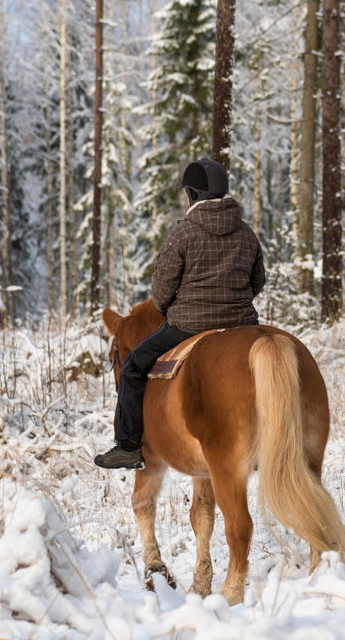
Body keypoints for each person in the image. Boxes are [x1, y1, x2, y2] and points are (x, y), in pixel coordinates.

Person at [94, 157, 266, 470]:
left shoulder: (182, 234)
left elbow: (160, 294)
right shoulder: (246, 233)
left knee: (132, 366)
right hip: (243, 327)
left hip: (189, 326)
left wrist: (182, 307)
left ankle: (129, 446)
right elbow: (258, 282)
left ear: (192, 194)